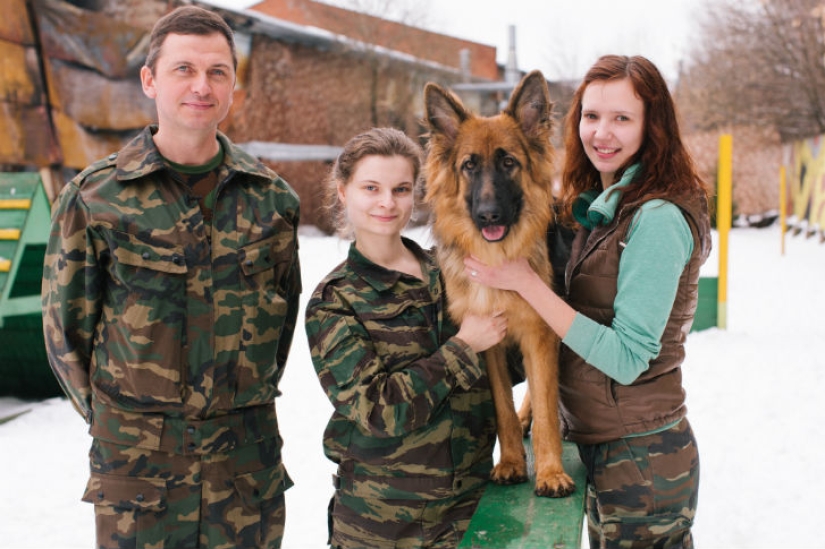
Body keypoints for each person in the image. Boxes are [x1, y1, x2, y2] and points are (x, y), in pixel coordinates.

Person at [41, 6, 301, 548]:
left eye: (217, 72)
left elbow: (280, 331)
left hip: (244, 476)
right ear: (150, 80)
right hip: (140, 481)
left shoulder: (272, 201)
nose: (201, 86)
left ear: (233, 86)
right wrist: (128, 425)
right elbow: (67, 337)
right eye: (184, 69)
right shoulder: (95, 199)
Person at [465, 55, 711, 548]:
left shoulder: (658, 217)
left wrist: (526, 283)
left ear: (652, 126)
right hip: (607, 449)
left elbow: (626, 357)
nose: (603, 133)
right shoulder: (608, 204)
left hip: (644, 460)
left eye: (622, 118)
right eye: (592, 116)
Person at [304, 127, 507, 549]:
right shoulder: (335, 301)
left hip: (472, 517)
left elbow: (503, 365)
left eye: (400, 189)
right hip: (382, 529)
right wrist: (463, 347)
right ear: (343, 192)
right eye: (371, 188)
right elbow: (378, 409)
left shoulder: (451, 271)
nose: (387, 202)